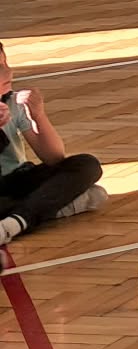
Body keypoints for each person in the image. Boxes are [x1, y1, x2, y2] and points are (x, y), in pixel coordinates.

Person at [0, 39, 105, 248]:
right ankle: (44, 207)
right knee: (95, 195)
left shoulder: (12, 103)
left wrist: (38, 116)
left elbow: (54, 157)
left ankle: (13, 223)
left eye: (6, 63)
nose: (9, 72)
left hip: (18, 179)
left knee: (87, 165)